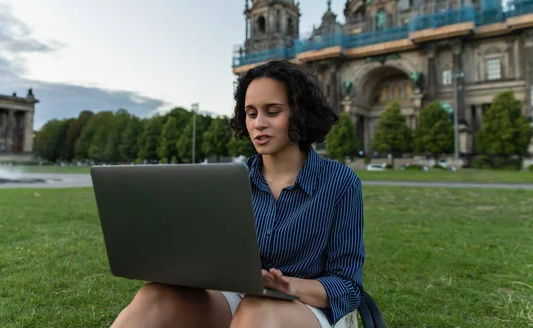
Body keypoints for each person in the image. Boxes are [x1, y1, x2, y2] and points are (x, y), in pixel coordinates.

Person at [111, 59, 365, 328]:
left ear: (300, 113)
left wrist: (287, 285)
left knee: (256, 311)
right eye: (251, 113)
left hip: (307, 306)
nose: (258, 124)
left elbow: (347, 287)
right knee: (155, 296)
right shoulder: (232, 181)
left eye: (273, 111)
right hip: (238, 298)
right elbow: (213, 257)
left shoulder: (341, 183)